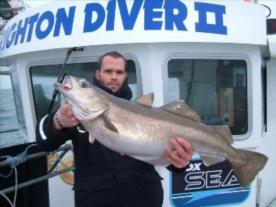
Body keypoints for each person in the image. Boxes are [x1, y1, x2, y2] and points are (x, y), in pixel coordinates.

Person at [36, 51, 193, 207]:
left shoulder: (143, 112)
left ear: (125, 76)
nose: (114, 76)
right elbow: (44, 144)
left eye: (119, 72)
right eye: (108, 71)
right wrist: (58, 121)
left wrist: (180, 162)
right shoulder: (74, 114)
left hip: (143, 197)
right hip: (96, 201)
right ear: (98, 74)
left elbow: (164, 155)